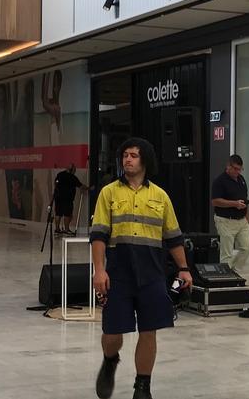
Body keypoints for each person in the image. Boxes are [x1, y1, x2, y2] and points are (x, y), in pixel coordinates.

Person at [90, 137, 192, 399]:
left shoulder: (160, 196)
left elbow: (173, 237)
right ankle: (110, 360)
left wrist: (184, 268)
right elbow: (99, 235)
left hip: (152, 274)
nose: (128, 159)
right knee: (112, 333)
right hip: (118, 274)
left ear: (144, 160)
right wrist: (99, 270)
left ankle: (143, 386)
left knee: (149, 330)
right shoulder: (109, 192)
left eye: (134, 155)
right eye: (125, 155)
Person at [211, 154, 249, 270]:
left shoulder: (241, 180)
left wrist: (248, 219)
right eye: (235, 169)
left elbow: (245, 200)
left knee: (248, 246)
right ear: (228, 166)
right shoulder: (219, 181)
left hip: (241, 220)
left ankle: (233, 270)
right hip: (225, 220)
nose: (237, 172)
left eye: (240, 169)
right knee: (227, 253)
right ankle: (225, 277)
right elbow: (215, 201)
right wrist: (234, 204)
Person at [54, 164, 88, 235]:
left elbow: (55, 183)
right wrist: (89, 188)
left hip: (58, 197)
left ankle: (57, 229)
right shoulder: (72, 177)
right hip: (68, 199)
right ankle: (66, 230)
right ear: (71, 170)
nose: (75, 172)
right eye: (74, 170)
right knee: (67, 214)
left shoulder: (59, 174)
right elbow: (81, 186)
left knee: (58, 213)